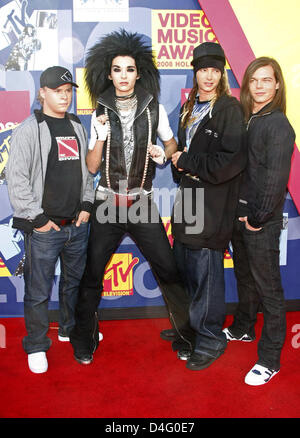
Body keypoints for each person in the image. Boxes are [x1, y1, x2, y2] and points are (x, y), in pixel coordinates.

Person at [69, 29, 194, 365]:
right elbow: (92, 166)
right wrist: (98, 138)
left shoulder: (154, 109)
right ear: (109, 74)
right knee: (93, 273)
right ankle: (84, 338)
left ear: (139, 73)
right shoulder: (99, 111)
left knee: (168, 269)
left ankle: (186, 335)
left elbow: (171, 145)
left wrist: (162, 154)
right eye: (117, 70)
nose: (123, 77)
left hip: (141, 202)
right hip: (107, 202)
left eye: (129, 70)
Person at [6, 66, 95, 374]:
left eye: (68, 91)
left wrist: (86, 204)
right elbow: (15, 179)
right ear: (42, 93)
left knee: (73, 285)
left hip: (76, 226)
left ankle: (68, 328)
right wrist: (39, 219)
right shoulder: (29, 129)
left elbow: (85, 172)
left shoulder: (76, 123)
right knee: (38, 290)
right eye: (58, 91)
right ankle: (35, 344)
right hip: (45, 229)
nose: (65, 96)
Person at [170, 42, 247, 371]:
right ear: (195, 71)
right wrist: (177, 163)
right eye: (203, 69)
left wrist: (186, 161)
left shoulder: (229, 108)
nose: (209, 76)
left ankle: (211, 337)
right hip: (188, 198)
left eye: (215, 70)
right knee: (186, 267)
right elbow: (181, 155)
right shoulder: (190, 106)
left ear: (222, 73)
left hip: (212, 203)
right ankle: (190, 328)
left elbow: (230, 161)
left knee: (206, 273)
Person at [223, 57, 295, 386]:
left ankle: (270, 359)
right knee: (245, 279)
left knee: (270, 291)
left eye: (267, 80)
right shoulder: (252, 119)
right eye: (255, 80)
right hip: (241, 216)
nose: (261, 85)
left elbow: (275, 181)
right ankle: (243, 328)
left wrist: (257, 218)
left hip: (259, 221)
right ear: (248, 85)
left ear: (277, 84)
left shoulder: (278, 124)